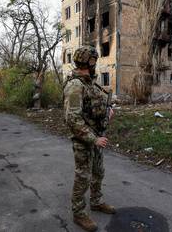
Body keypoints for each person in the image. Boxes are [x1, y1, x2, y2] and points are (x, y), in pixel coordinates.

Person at [63, 46, 116, 232]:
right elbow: (72, 119)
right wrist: (93, 139)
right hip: (84, 141)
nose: (95, 63)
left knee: (98, 172)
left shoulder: (90, 83)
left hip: (97, 137)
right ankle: (78, 213)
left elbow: (94, 108)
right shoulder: (75, 86)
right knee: (82, 177)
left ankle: (96, 201)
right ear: (89, 62)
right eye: (94, 60)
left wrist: (107, 113)